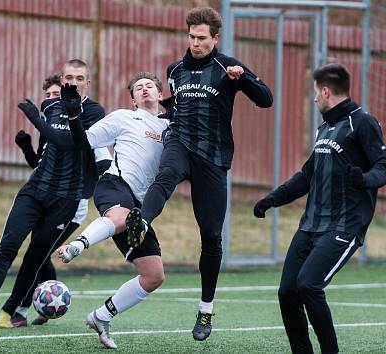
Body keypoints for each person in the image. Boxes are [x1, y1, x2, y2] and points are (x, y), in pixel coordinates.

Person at [124, 7, 273, 341]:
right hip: (180, 143)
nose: (195, 43)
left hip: (213, 158)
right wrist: (164, 109)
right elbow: (176, 105)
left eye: (201, 38)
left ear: (215, 38)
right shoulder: (174, 69)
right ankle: (142, 220)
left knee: (211, 236)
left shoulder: (227, 67)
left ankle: (205, 311)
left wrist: (243, 79)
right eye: (191, 36)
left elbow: (266, 100)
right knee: (165, 175)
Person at [253, 63, 386, 354]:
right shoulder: (324, 128)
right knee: (287, 292)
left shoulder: (362, 122)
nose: (314, 99)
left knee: (309, 286)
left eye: (316, 93)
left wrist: (363, 179)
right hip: (311, 225)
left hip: (345, 224)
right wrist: (273, 198)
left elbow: (384, 169)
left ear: (326, 91)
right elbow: (307, 176)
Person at [0, 59, 107, 328]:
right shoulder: (50, 106)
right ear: (62, 80)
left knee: (34, 258)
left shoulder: (95, 112)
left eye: (79, 78)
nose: (73, 82)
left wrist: (36, 120)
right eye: (69, 77)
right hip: (35, 190)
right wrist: (28, 146)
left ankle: (10, 311)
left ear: (87, 82)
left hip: (67, 199)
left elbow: (70, 143)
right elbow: (44, 154)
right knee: (8, 245)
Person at [56, 72, 169, 349]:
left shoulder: (172, 127)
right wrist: (73, 117)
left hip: (140, 208)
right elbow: (83, 142)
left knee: (153, 275)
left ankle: (101, 316)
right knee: (119, 217)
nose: (144, 90)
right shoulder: (123, 117)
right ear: (132, 100)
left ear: (160, 94)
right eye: (138, 88)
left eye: (150, 86)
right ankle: (77, 246)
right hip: (114, 184)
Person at [10, 73, 111, 327]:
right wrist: (26, 148)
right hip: (45, 197)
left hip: (71, 203)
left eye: (57, 95)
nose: (53, 100)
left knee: (38, 254)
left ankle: (21, 309)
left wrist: (97, 193)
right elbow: (39, 165)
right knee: (39, 253)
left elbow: (103, 164)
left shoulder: (85, 128)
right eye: (48, 96)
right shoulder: (51, 127)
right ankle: (43, 304)